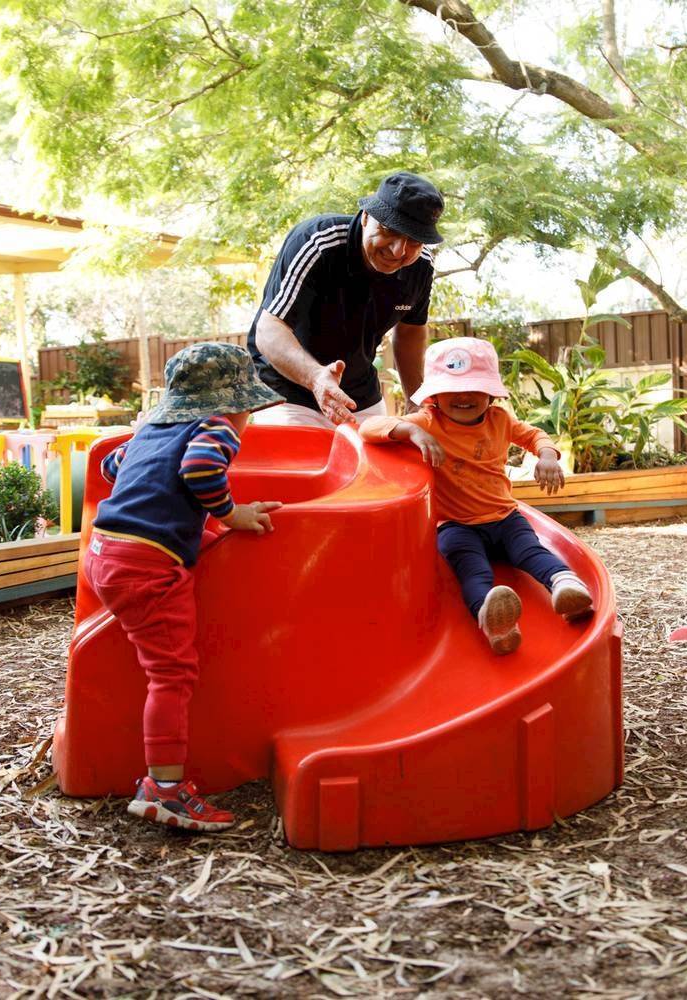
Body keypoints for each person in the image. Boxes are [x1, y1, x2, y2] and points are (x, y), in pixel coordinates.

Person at [87, 342, 285, 832]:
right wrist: (230, 514)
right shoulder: (216, 428)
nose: (248, 420)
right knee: (172, 673)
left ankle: (163, 784)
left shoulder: (151, 428)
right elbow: (199, 469)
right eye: (249, 410)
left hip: (105, 550)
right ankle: (165, 790)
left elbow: (113, 468)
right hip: (146, 564)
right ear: (238, 404)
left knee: (161, 666)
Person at [360, 337, 593, 655]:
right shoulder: (428, 421)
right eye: (452, 389)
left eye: (474, 387)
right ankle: (493, 620)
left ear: (491, 392)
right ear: (434, 396)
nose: (464, 396)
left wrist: (548, 456)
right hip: (456, 525)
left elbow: (535, 434)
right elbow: (369, 426)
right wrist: (411, 431)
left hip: (505, 517)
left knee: (529, 550)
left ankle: (567, 587)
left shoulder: (500, 420)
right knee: (472, 571)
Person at [248, 171, 444, 428]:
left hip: (359, 393)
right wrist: (316, 378)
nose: (398, 250)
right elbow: (269, 328)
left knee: (375, 465)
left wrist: (415, 400)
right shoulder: (317, 242)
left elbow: (409, 332)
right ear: (365, 217)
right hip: (288, 389)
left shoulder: (421, 265)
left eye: (413, 240)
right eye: (389, 231)